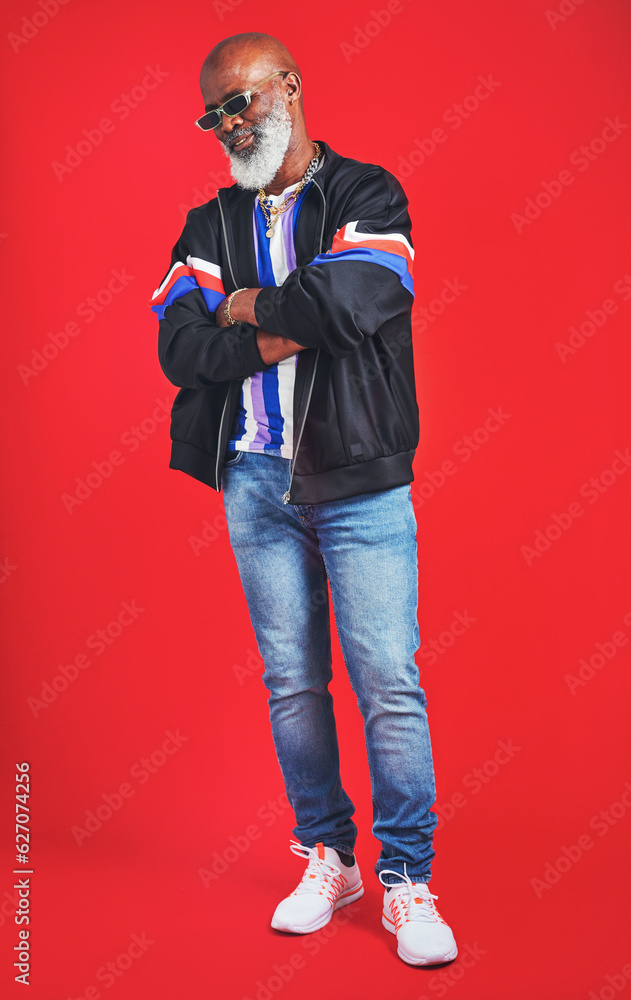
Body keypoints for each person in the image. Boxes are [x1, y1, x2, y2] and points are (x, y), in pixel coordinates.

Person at [150, 31, 458, 967]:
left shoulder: (367, 194)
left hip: (359, 476)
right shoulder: (206, 225)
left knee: (387, 685)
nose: (228, 124)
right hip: (253, 478)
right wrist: (275, 323)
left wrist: (243, 307)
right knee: (292, 687)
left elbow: (353, 303)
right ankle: (329, 853)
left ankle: (406, 877)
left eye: (239, 101)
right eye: (213, 114)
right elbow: (179, 350)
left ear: (287, 85)